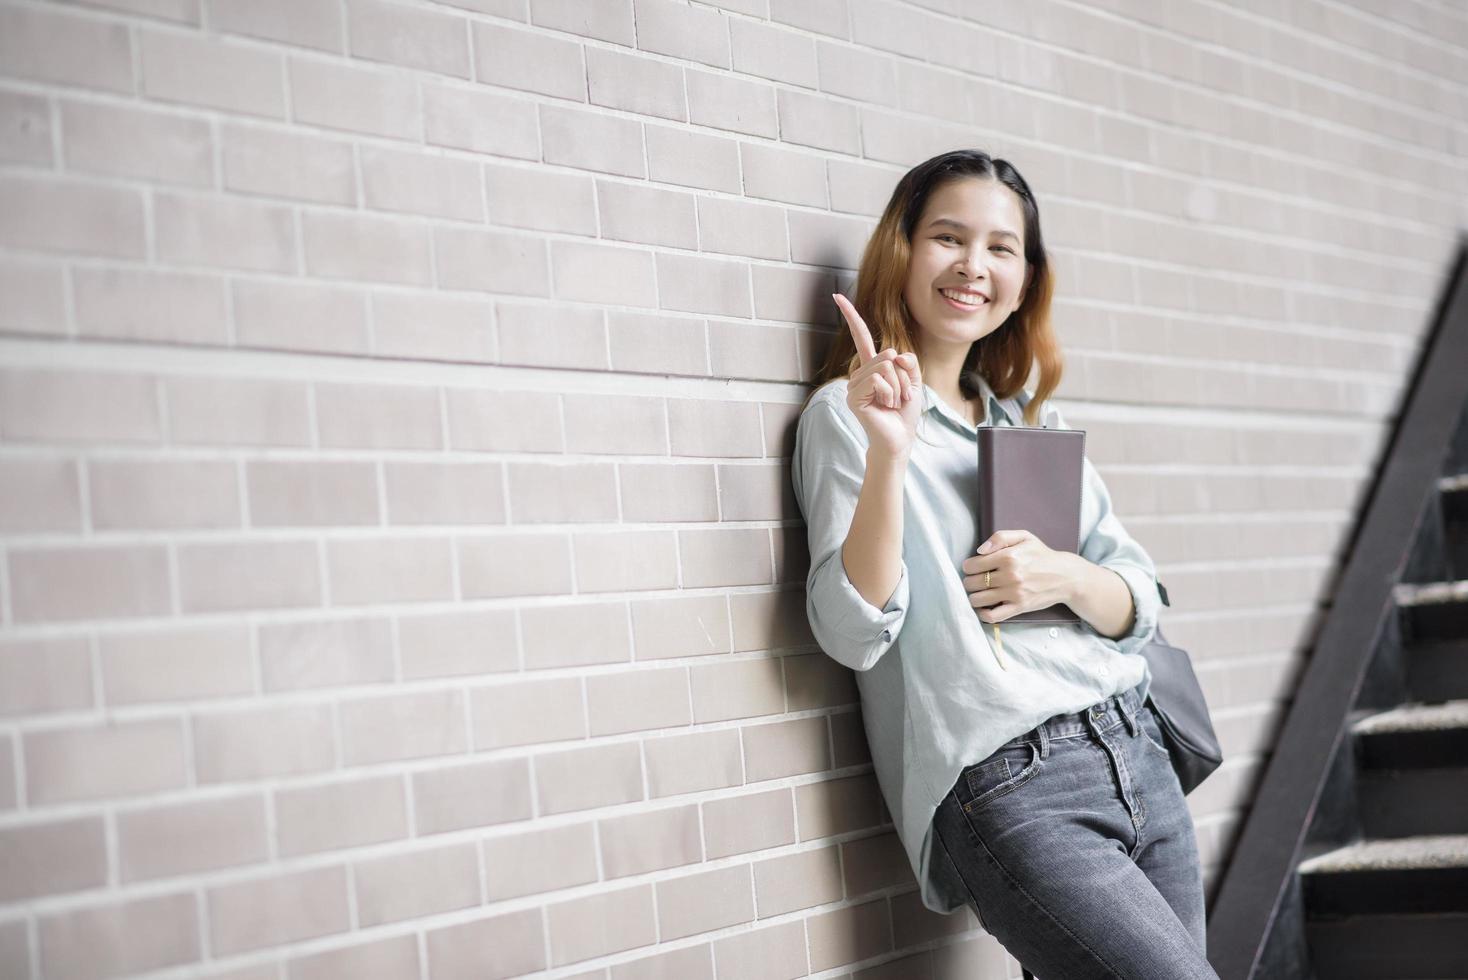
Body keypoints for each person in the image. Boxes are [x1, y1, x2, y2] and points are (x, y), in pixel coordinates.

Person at [791, 149, 1219, 979]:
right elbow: (850, 630)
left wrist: (1064, 577)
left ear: (1025, 278)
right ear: (903, 250)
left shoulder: (1027, 426)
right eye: (948, 237)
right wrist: (890, 454)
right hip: (1014, 782)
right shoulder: (848, 417)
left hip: (1137, 748)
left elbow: (1140, 600)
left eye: (1000, 247)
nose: (972, 266)